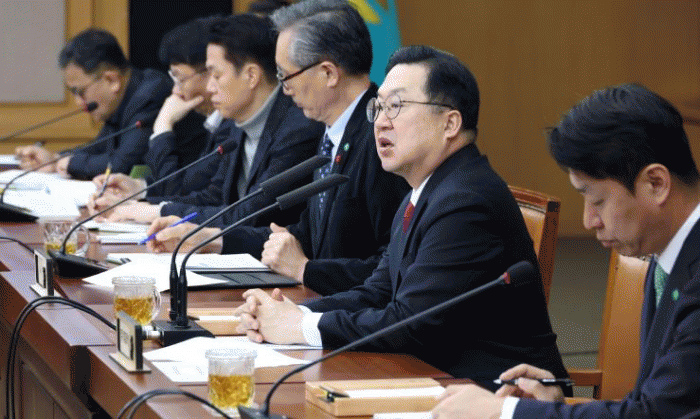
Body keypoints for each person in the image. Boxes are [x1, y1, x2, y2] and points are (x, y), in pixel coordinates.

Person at [232, 45, 568, 386]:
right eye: (378, 108)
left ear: (450, 123)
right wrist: (291, 312)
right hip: (433, 378)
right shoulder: (425, 191)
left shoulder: (466, 201)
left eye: (396, 106)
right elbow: (377, 292)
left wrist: (300, 326)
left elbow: (411, 323)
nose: (380, 122)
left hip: (500, 392)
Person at [432, 84, 700, 418]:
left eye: (598, 200)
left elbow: (655, 414)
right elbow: (657, 402)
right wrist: (552, 407)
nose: (589, 220)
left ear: (656, 183)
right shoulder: (667, 256)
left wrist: (507, 412)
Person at [146, 0, 409, 296]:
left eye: (286, 76)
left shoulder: (382, 138)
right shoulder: (334, 132)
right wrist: (212, 239)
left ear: (328, 74)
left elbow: (394, 266)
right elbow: (305, 236)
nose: (284, 89)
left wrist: (305, 271)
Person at [90, 14, 322, 228]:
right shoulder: (238, 125)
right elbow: (214, 197)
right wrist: (138, 202)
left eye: (217, 75)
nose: (210, 88)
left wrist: (157, 211)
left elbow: (251, 215)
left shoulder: (296, 129)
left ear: (251, 76)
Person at [90, 15, 232, 203]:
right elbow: (189, 186)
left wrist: (163, 128)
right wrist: (140, 187)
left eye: (181, 79)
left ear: (210, 72)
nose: (175, 91)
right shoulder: (215, 123)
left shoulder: (231, 126)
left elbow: (178, 193)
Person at [15, 28, 171, 179]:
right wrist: (55, 159)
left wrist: (69, 164)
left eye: (80, 92)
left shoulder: (151, 97)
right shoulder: (120, 100)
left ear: (112, 80)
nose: (78, 102)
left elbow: (121, 164)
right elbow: (98, 148)